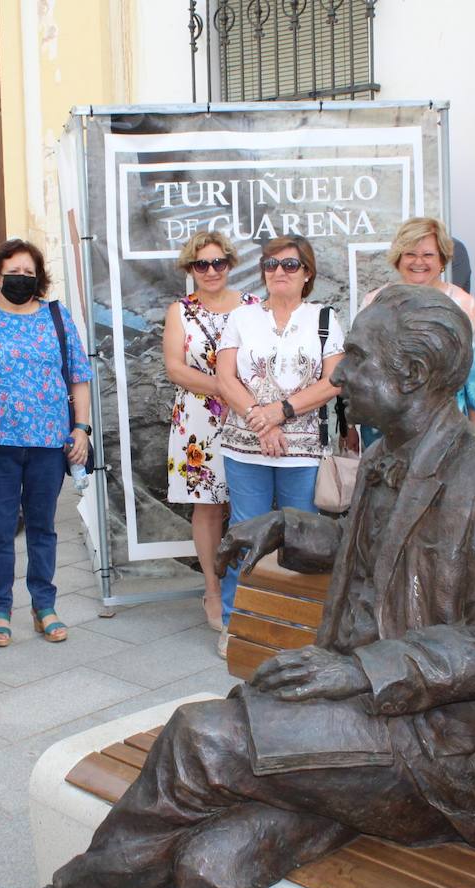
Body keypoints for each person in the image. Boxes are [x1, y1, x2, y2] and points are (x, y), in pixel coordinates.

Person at [0, 286, 475, 888]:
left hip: (439, 751)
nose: (339, 373)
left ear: (410, 374)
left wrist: (357, 668)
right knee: (213, 865)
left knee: (202, 736)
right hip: (359, 732)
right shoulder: (388, 456)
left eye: (356, 357)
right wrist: (286, 527)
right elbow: (378, 556)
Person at [0, 238, 92, 649]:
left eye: (29, 273)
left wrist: (80, 428)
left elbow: (78, 376)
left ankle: (44, 605)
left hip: (48, 444)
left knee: (43, 528)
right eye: (14, 272)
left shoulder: (56, 316)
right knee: (0, 530)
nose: (21, 279)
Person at [214, 235, 343, 658]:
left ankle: (298, 624)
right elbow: (225, 378)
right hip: (245, 444)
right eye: (271, 264)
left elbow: (332, 382)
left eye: (289, 265)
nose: (279, 272)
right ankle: (239, 623)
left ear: (307, 272)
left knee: (302, 535)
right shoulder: (242, 317)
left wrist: (280, 413)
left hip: (303, 449)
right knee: (245, 530)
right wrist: (260, 418)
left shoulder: (324, 318)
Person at [162, 231, 255, 632]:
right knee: (209, 506)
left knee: (250, 507)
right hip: (199, 421)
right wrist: (224, 386)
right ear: (190, 269)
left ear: (230, 264)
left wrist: (240, 394)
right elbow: (175, 368)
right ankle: (213, 591)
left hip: (247, 416)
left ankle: (251, 590)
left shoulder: (253, 307)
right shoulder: (179, 311)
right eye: (202, 264)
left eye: (219, 262)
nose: (212, 270)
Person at [361, 217, 475, 435]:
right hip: (385, 425)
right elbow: (363, 366)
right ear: (398, 258)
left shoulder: (463, 304)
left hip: (447, 424)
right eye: (410, 254)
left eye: (428, 255)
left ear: (442, 260)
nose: (418, 262)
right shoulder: (374, 302)